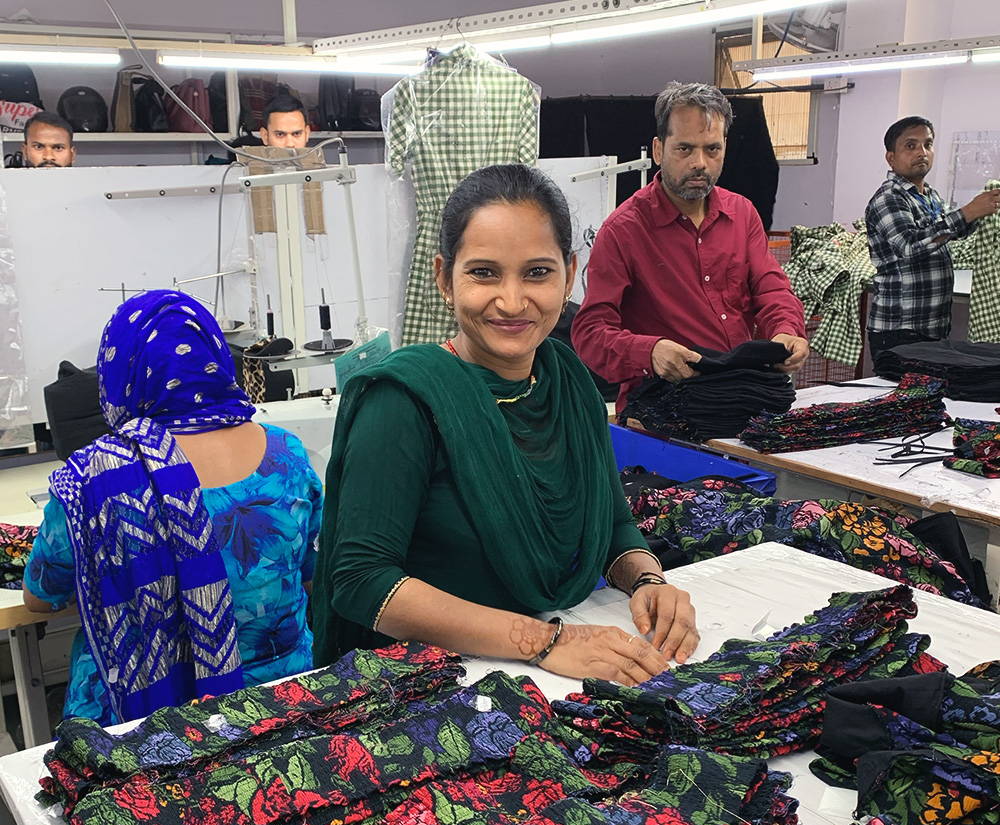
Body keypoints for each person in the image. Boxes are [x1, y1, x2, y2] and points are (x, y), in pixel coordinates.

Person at [312, 163, 699, 685]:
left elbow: (611, 526)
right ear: (444, 278)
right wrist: (542, 642)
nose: (512, 301)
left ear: (570, 274)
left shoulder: (568, 384)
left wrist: (648, 581)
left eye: (537, 272)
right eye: (484, 272)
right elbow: (361, 579)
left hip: (547, 671)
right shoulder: (404, 401)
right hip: (428, 684)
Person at [23, 290, 323, 725]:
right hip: (283, 708)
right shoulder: (287, 455)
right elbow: (310, 575)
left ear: (120, 372)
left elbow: (39, 598)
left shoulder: (93, 479)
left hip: (142, 727)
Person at [572, 82, 808, 413]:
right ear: (658, 150)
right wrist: (649, 352)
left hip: (741, 397)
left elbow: (772, 290)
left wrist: (785, 331)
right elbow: (590, 333)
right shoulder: (623, 231)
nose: (700, 163)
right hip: (662, 408)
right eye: (684, 149)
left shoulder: (742, 215)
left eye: (712, 149)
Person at [865, 116, 1000, 358]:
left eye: (927, 144)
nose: (922, 152)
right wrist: (968, 211)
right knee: (902, 385)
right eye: (911, 145)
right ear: (891, 157)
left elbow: (951, 232)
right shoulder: (889, 198)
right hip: (900, 330)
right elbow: (910, 246)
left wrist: (983, 211)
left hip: (933, 327)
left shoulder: (930, 196)